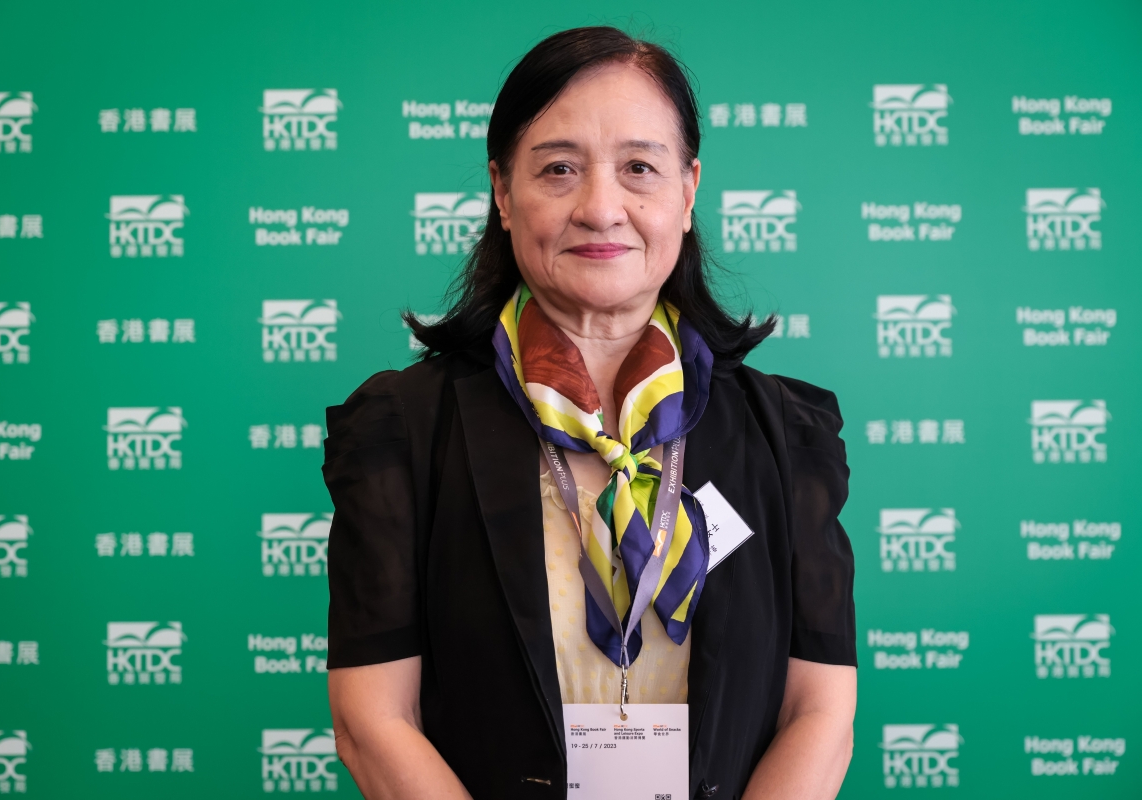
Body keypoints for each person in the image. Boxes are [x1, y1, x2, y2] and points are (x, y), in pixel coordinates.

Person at [322, 26, 856, 800]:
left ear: (686, 192)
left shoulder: (782, 433)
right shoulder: (405, 427)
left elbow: (819, 712)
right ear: (502, 192)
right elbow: (373, 720)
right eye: (559, 169)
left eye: (639, 168)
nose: (601, 208)